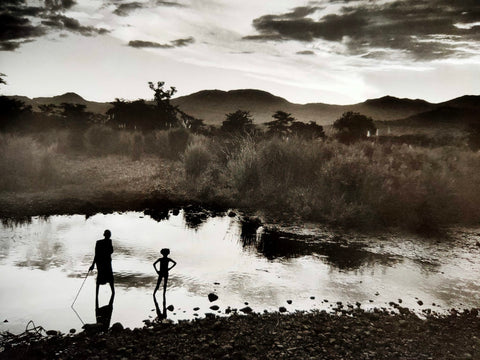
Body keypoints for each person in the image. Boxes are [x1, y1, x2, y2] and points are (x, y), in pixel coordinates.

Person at [89, 230, 115, 307]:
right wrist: (93, 265)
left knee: (103, 279)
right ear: (108, 235)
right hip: (104, 263)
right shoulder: (105, 242)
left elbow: (97, 255)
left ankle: (97, 297)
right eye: (108, 235)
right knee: (108, 279)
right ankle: (112, 295)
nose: (109, 236)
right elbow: (109, 252)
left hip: (102, 263)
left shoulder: (100, 242)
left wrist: (93, 265)